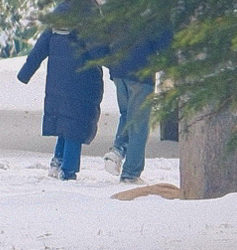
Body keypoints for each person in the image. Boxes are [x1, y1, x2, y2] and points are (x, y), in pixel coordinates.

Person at [16, 19, 107, 181]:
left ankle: (57, 162)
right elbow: (100, 53)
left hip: (57, 82)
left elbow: (38, 51)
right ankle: (68, 169)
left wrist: (25, 73)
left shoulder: (55, 24)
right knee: (75, 126)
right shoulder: (87, 23)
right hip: (82, 82)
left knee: (66, 122)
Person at [110, 28, 169, 182]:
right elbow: (165, 45)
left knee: (127, 114)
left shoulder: (120, 6)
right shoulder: (156, 12)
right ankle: (131, 173)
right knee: (139, 123)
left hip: (118, 69)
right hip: (141, 71)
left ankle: (117, 150)